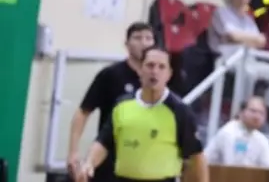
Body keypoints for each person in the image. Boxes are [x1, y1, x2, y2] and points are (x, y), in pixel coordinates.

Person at [74, 47, 208, 182]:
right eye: (150, 65)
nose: (155, 71)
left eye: (161, 67)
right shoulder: (122, 105)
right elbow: (103, 142)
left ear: (169, 74)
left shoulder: (179, 110)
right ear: (140, 70)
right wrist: (89, 164)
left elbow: (197, 156)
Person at [67, 23, 156, 182]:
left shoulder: (157, 80)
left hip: (143, 160)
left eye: (148, 38)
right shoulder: (110, 75)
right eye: (137, 38)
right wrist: (73, 152)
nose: (144, 43)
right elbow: (83, 112)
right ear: (127, 44)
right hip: (109, 156)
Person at [203, 97, 269, 168]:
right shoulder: (229, 132)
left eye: (261, 113)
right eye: (253, 111)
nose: (257, 116)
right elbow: (233, 167)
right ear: (241, 112)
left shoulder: (262, 139)